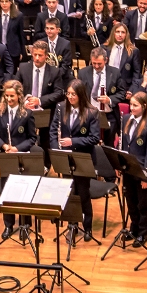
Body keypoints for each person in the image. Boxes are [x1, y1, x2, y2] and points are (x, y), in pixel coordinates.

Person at [51, 80, 101, 241]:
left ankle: (88, 228)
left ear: (80, 95)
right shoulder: (60, 108)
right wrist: (56, 150)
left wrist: (74, 142)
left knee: (83, 194)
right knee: (69, 193)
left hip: (83, 158)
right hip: (65, 158)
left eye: (73, 94)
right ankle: (71, 226)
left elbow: (94, 138)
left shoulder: (91, 112)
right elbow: (53, 132)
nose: (70, 97)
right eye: (68, 93)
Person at [0, 81, 39, 239]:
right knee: (6, 191)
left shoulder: (27, 114)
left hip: (21, 155)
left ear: (19, 96)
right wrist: (3, 145)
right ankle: (8, 225)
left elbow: (32, 138)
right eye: (7, 95)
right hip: (5, 155)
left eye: (12, 96)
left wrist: (17, 148)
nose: (9, 99)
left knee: (24, 190)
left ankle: (25, 224)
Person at [120, 92, 147, 245]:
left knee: (142, 204)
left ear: (144, 107)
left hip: (142, 171)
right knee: (130, 201)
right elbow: (125, 146)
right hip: (129, 169)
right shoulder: (126, 119)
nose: (131, 108)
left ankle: (142, 233)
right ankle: (134, 228)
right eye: (130, 104)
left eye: (135, 105)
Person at [17, 41, 65, 117]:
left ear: (46, 55)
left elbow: (59, 93)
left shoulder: (54, 71)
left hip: (45, 112)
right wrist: (25, 102)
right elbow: (16, 89)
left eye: (40, 55)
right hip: (25, 110)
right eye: (35, 54)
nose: (37, 58)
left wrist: (39, 100)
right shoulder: (23, 68)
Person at [106, 23, 142, 97]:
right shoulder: (104, 48)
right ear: (113, 33)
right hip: (107, 86)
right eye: (117, 31)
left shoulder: (133, 51)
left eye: (123, 32)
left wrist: (132, 90)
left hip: (125, 89)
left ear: (126, 35)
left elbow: (136, 73)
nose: (120, 35)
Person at [0, 0, 25, 67]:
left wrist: (22, 52)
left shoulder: (18, 15)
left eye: (6, 1)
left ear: (11, 2)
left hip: (13, 50)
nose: (4, 4)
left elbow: (21, 34)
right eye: (2, 1)